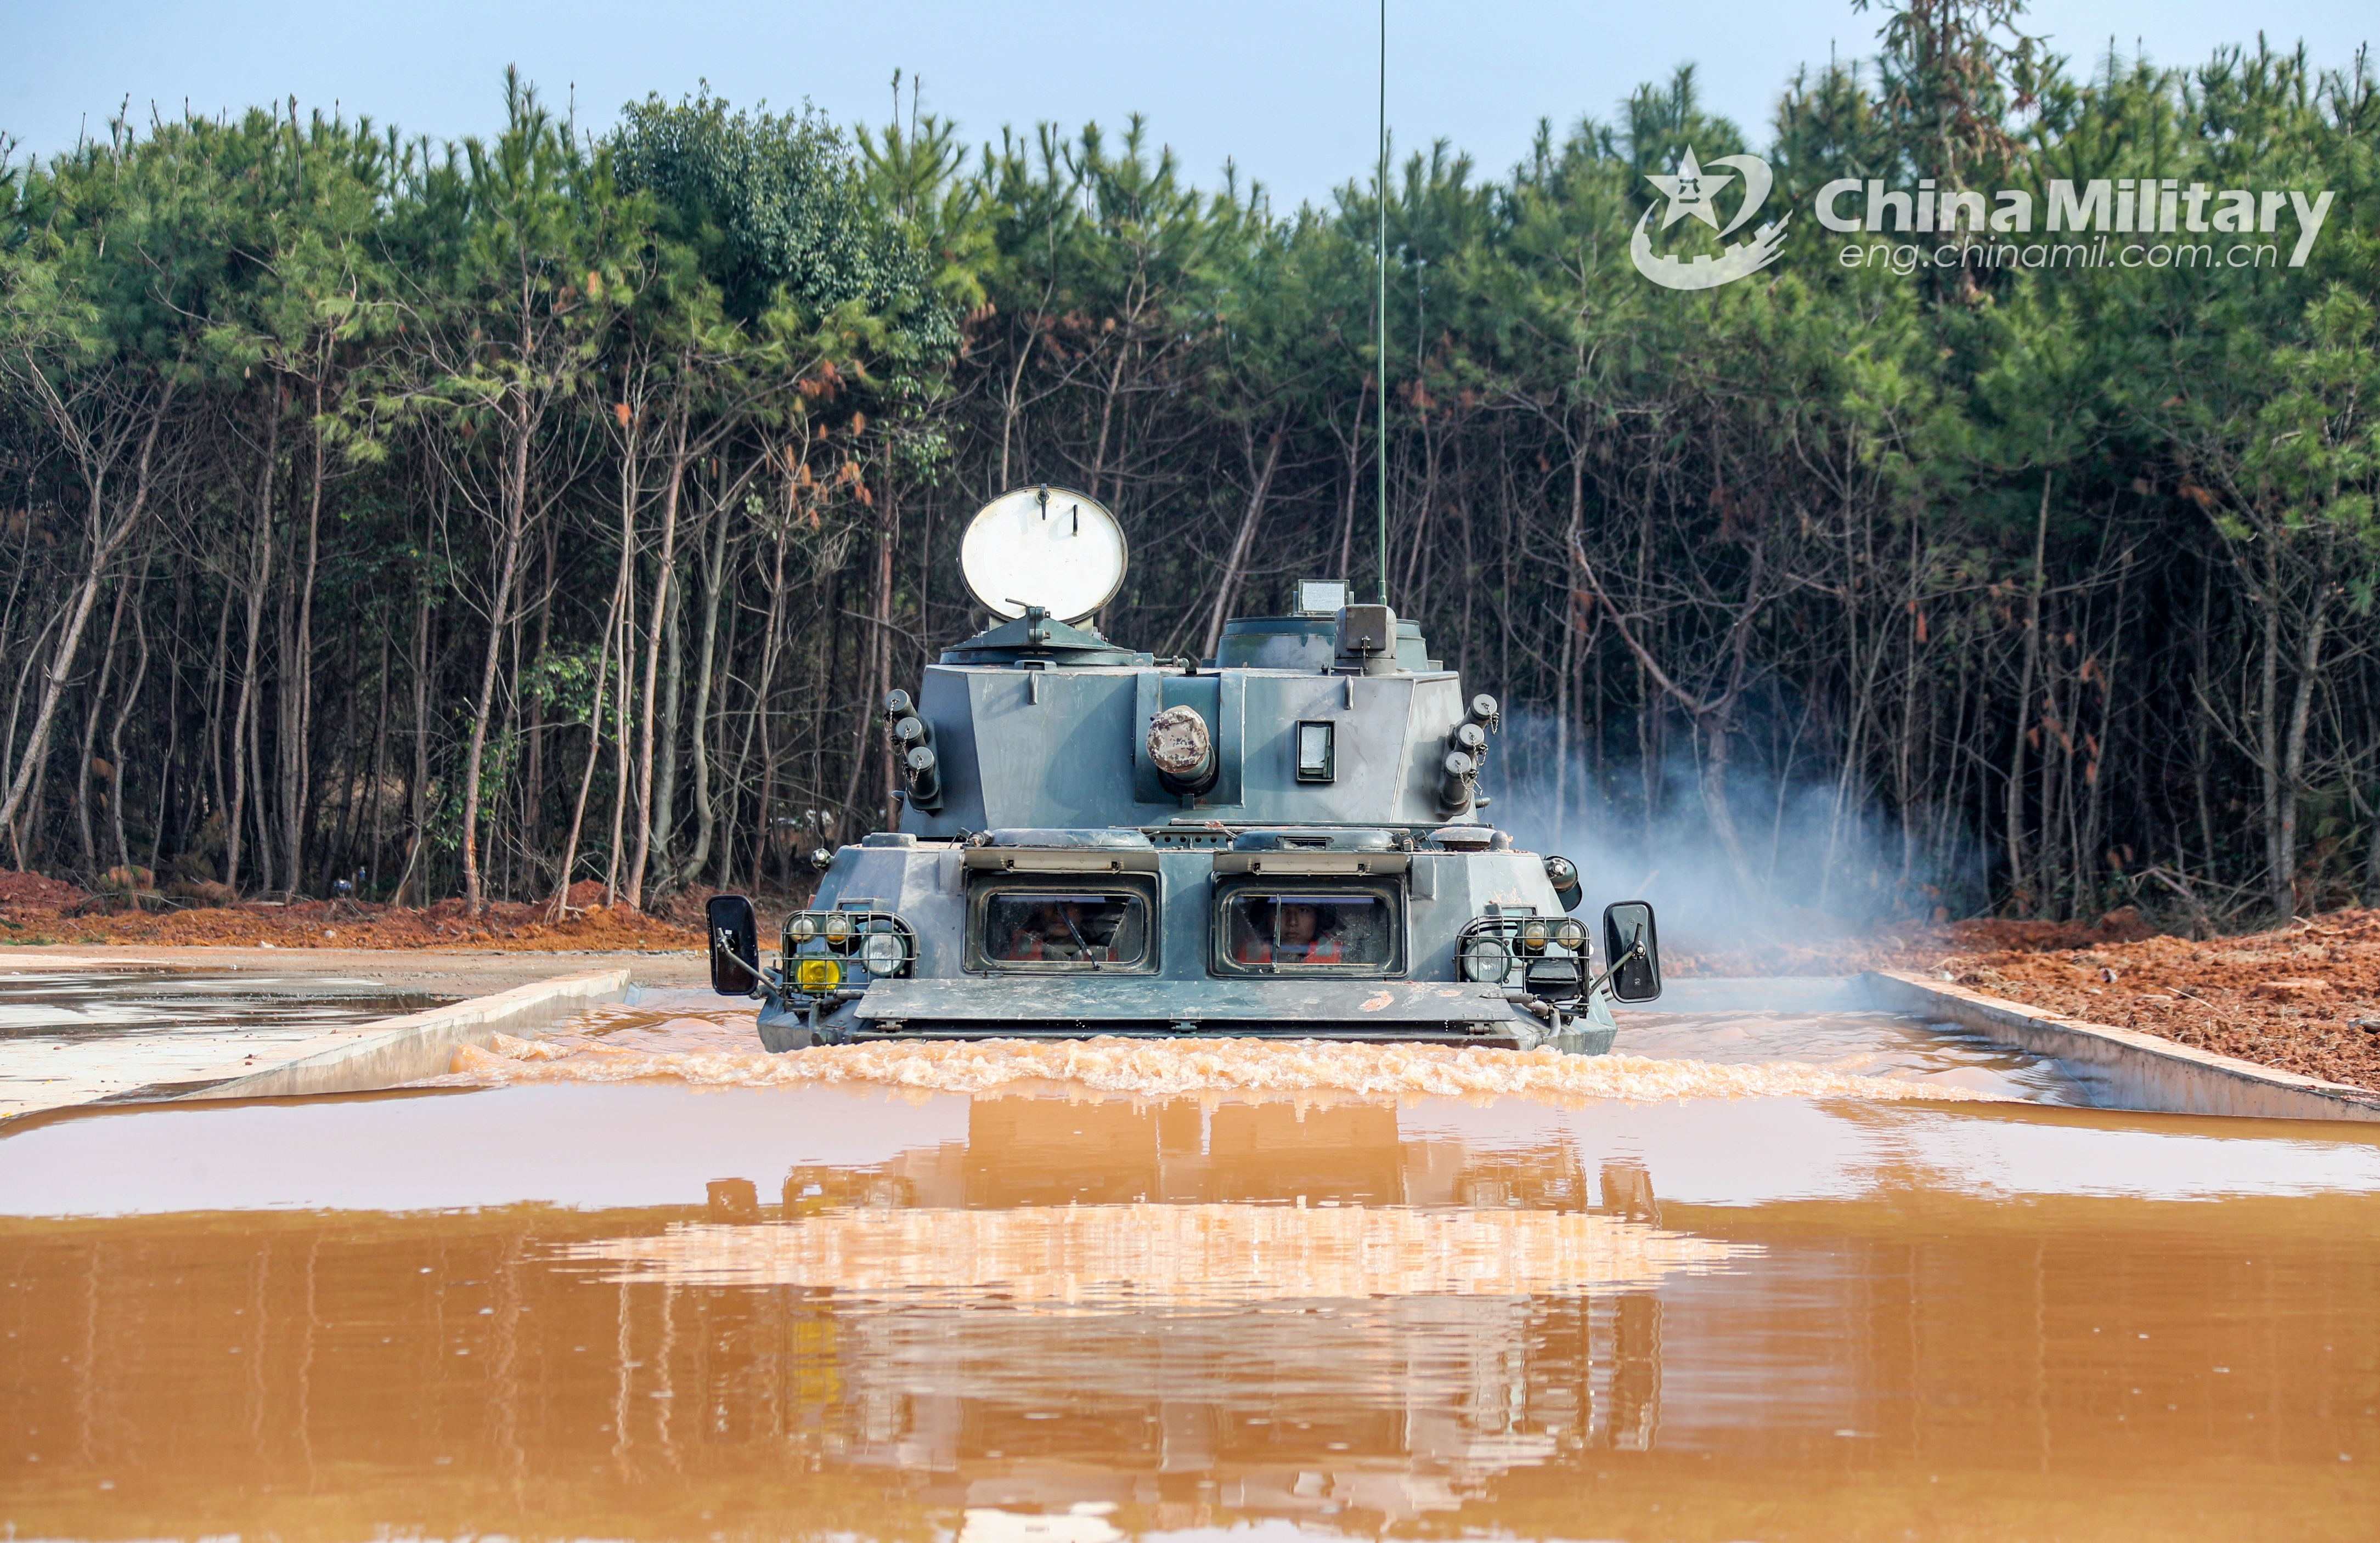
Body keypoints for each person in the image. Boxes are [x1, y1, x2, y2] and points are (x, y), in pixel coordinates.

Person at [1234, 899, 1346, 965]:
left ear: (1318, 918)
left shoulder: (1342, 955)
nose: (1292, 922)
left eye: (1303, 911)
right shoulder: (1250, 955)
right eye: (1281, 910)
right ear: (1266, 917)